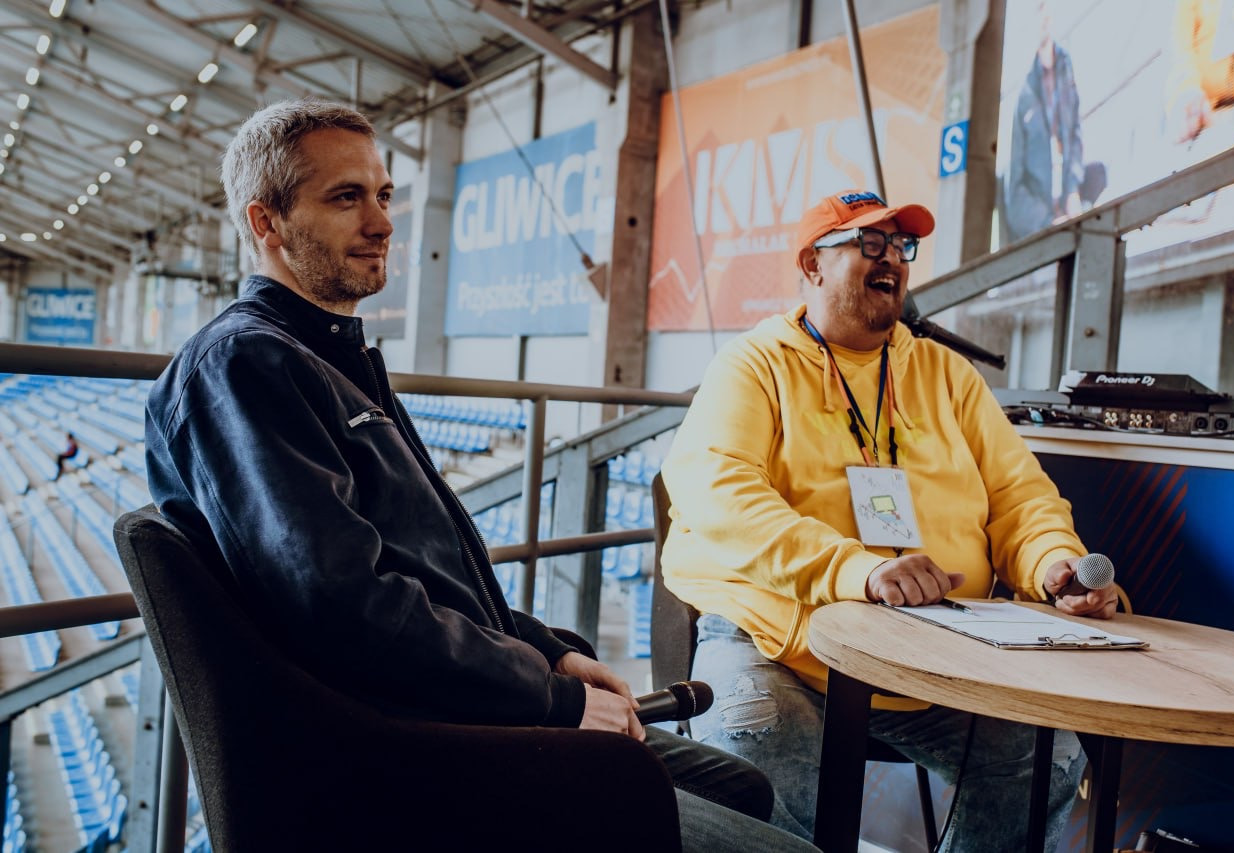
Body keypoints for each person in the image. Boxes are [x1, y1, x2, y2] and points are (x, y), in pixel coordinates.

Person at [144, 99, 817, 853]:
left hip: (443, 710)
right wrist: (553, 700)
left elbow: (428, 573)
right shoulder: (246, 365)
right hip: (402, 754)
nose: (382, 221)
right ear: (265, 222)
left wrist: (548, 651)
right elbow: (345, 610)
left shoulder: (329, 357)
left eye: (384, 194)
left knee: (741, 785)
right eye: (346, 197)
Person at [660, 189, 1121, 850]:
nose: (893, 260)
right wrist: (859, 570)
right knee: (755, 744)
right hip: (777, 642)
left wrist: (1052, 564)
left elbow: (1021, 497)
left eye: (902, 246)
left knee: (1048, 757)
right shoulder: (754, 363)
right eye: (870, 243)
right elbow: (718, 491)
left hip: (932, 647)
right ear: (813, 265)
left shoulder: (949, 376)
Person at [1004, 0, 1085, 243]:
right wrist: (1047, 223)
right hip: (1044, 226)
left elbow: (1075, 134)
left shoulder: (1067, 69)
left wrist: (1073, 190)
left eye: (1045, 16)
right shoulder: (1023, 95)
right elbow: (1014, 192)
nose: (1043, 24)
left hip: (1070, 209)